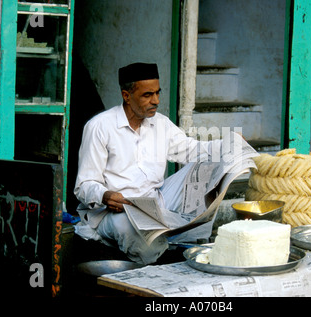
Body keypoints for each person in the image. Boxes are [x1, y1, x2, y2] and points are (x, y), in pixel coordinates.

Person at [74, 62, 254, 264]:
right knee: (142, 241)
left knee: (206, 167)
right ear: (126, 96)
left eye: (157, 93)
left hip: (154, 201)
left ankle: (176, 235)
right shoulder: (99, 127)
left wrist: (229, 143)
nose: (156, 101)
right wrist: (105, 195)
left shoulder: (160, 123)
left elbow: (191, 149)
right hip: (114, 211)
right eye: (147, 95)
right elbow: (84, 185)